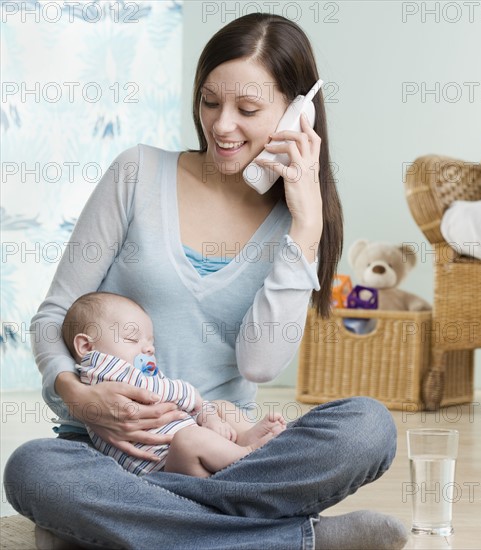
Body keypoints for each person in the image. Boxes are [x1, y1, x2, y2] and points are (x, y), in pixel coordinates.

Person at [4, 12, 408, 550]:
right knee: (34, 468)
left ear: (294, 114)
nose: (221, 126)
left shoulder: (296, 225)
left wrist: (306, 226)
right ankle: (293, 540)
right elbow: (54, 315)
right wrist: (77, 397)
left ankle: (120, 529)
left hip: (223, 451)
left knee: (368, 427)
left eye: (247, 109)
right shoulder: (137, 173)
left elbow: (259, 365)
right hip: (109, 454)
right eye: (210, 101)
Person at [63, 291, 286, 478]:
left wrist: (207, 414)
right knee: (189, 438)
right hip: (165, 466)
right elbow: (155, 392)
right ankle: (247, 456)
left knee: (219, 406)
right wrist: (193, 398)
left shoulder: (135, 369)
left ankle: (244, 439)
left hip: (188, 438)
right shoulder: (98, 368)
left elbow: (177, 405)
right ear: (86, 345)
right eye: (132, 338)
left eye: (151, 342)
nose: (148, 349)